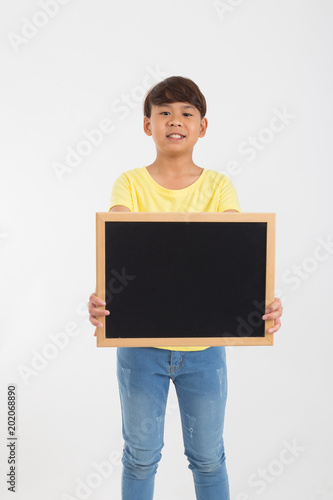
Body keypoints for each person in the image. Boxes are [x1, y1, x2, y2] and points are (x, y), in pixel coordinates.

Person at [87, 76, 283, 500]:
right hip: (140, 351)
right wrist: (105, 298)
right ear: (147, 125)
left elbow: (236, 258)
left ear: (202, 127)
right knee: (140, 456)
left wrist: (262, 301)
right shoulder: (130, 184)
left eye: (186, 114)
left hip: (205, 354)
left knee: (209, 457)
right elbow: (121, 245)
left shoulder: (218, 187)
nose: (175, 121)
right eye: (164, 113)